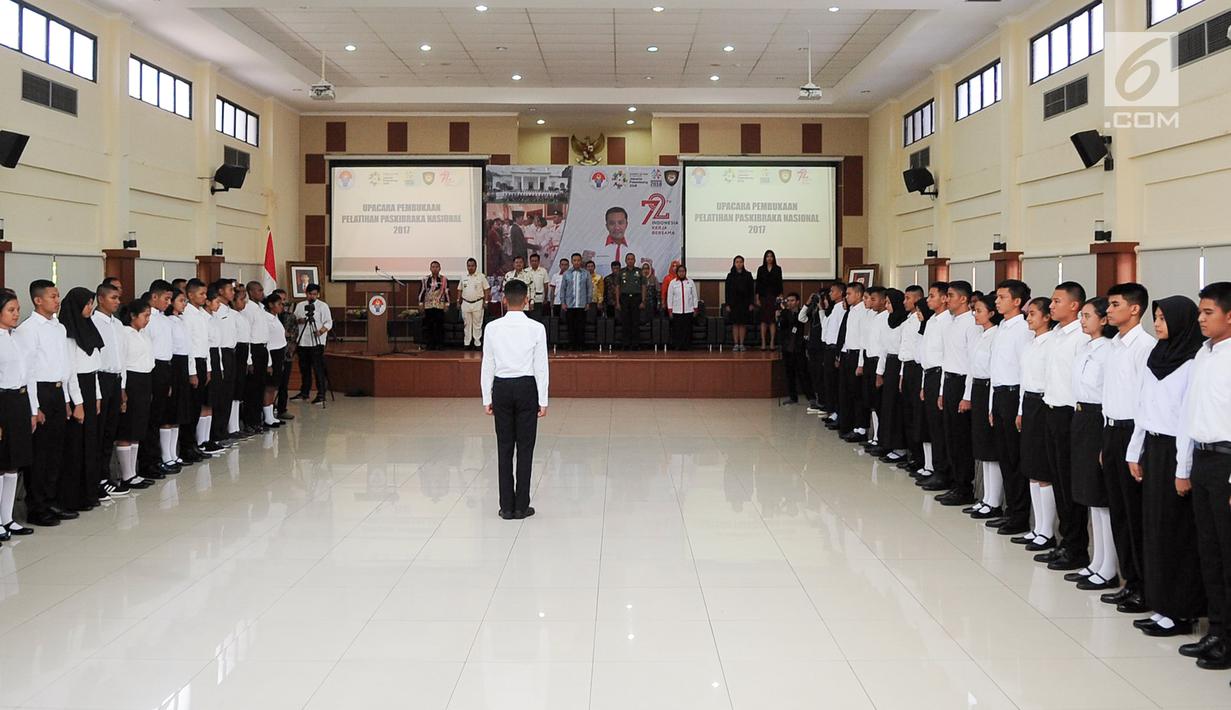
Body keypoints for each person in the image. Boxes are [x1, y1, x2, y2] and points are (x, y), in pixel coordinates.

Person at [1127, 296, 1205, 638]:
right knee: (1154, 529)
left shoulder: (1192, 361)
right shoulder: (1156, 356)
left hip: (1178, 452)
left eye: (1162, 318)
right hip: (1153, 448)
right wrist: (1134, 450)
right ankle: (1161, 605)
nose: (1157, 323)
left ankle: (1181, 610)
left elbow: (1189, 418)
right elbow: (1143, 407)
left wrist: (1182, 468)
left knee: (1176, 533)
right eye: (1155, 317)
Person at [1176, 282, 1231, 671]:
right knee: (1209, 553)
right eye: (1199, 312)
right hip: (1203, 460)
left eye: (1208, 312)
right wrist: (1184, 467)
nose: (1200, 318)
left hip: (1227, 464)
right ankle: (1217, 631)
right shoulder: (1202, 354)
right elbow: (1188, 414)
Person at [1099, 282, 1154, 612]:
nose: (1109, 310)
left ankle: (1144, 587)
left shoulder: (1143, 346)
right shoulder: (1115, 345)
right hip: (1112, 431)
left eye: (1115, 304)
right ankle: (1128, 580)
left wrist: (1135, 447)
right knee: (1118, 510)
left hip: (1134, 433)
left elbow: (1143, 401)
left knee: (1135, 515)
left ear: (1134, 309)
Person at [481, 279, 548, 520]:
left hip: (501, 386)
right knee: (526, 449)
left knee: (504, 448)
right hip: (527, 387)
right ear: (528, 301)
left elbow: (487, 363)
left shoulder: (492, 327)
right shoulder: (537, 328)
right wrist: (543, 400)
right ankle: (522, 505)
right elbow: (541, 367)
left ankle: (506, 507)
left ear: (504, 300)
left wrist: (486, 397)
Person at [1036, 282, 1090, 572]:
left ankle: (1076, 547)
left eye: (1057, 301)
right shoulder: (1056, 334)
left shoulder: (1080, 337)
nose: (1052, 306)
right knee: (1056, 478)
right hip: (1051, 410)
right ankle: (1064, 541)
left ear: (1074, 305)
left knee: (1070, 483)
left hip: (1070, 413)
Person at [14, 280, 76, 527]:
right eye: (52, 296)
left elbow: (64, 365)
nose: (57, 301)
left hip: (58, 391)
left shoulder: (58, 327)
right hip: (39, 391)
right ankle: (36, 507)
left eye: (58, 296)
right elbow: (27, 370)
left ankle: (51, 500)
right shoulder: (29, 329)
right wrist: (34, 406)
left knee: (56, 451)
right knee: (40, 453)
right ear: (38, 300)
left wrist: (68, 400)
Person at [1068, 297, 1118, 590]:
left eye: (1087, 316)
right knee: (1089, 494)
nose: (1082, 320)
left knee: (1101, 496)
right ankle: (1096, 561)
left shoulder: (1109, 351)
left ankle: (1108, 567)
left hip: (1100, 418)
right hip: (1081, 416)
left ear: (1103, 320)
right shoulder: (1085, 347)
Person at [986, 279, 1034, 536]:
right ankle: (1009, 510)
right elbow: (997, 369)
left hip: (1016, 394)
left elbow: (1024, 370)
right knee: (1004, 456)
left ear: (1017, 301)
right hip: (1001, 394)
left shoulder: (1023, 329)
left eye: (1002, 297)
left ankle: (1019, 516)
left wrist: (1020, 409)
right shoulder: (1003, 325)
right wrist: (993, 404)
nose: (996, 301)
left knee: (1016, 459)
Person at [1013, 297, 1058, 550]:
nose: (1028, 318)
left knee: (1042, 470)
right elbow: (1024, 380)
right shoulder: (1030, 344)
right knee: (1031, 467)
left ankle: (1047, 531)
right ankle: (1037, 527)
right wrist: (1020, 410)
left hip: (1043, 403)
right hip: (1029, 403)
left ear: (1046, 317)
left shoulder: (1052, 343)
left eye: (1032, 314)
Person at [933, 281, 980, 507]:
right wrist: (942, 390)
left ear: (963, 299)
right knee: (950, 435)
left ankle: (964, 487)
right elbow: (946, 360)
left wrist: (968, 395)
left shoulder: (971, 323)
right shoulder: (951, 323)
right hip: (950, 381)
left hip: (963, 383)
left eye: (950, 295)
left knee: (961, 439)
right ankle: (954, 481)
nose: (947, 299)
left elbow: (973, 363)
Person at [60, 287, 104, 511]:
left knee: (91, 444)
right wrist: (77, 403)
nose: (91, 307)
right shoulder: (68, 332)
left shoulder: (88, 327)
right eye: (87, 304)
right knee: (76, 447)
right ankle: (72, 497)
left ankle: (89, 492)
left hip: (90, 388)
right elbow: (71, 372)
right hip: (76, 391)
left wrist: (96, 397)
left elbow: (93, 369)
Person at [0, 291, 36, 538]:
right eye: (11, 310)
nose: (16, 314)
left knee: (13, 463)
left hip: (19, 401)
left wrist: (33, 410)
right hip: (2, 401)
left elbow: (29, 375)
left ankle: (7, 518)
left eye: (17, 309)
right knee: (1, 463)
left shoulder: (17, 337)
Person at [114, 297, 156, 493]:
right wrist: (122, 390)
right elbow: (122, 363)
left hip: (145, 380)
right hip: (131, 381)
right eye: (145, 316)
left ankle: (134, 473)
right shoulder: (125, 334)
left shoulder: (144, 334)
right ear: (132, 316)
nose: (147, 320)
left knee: (138, 427)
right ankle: (126, 475)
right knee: (127, 427)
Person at [91, 281, 127, 496]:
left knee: (110, 431)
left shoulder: (118, 324)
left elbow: (120, 356)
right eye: (113, 298)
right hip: (100, 379)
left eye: (118, 298)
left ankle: (105, 475)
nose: (117, 302)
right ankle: (97, 478)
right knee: (99, 430)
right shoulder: (93, 322)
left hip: (115, 379)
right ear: (100, 299)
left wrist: (122, 386)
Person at [917, 282, 952, 489]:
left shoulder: (948, 322)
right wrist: (923, 384)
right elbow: (926, 355)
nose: (928, 300)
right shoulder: (931, 321)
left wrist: (939, 388)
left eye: (931, 296)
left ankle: (943, 472)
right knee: (932, 425)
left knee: (940, 428)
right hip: (929, 375)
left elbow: (946, 356)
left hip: (940, 375)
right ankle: (935, 468)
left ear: (944, 298)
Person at [897, 286, 927, 471]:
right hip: (906, 367)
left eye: (908, 298)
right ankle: (912, 454)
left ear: (918, 299)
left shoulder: (921, 321)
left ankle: (921, 458)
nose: (904, 301)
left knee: (917, 415)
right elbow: (904, 348)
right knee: (907, 413)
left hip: (918, 369)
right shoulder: (909, 319)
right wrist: (901, 374)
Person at [837, 282, 868, 441]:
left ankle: (861, 427)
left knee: (857, 394)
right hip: (847, 354)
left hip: (857, 356)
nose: (846, 297)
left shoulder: (864, 312)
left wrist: (861, 363)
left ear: (858, 294)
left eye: (849, 294)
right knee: (846, 391)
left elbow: (863, 340)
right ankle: (848, 424)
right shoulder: (851, 311)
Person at [293, 283, 332, 404]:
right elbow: (294, 320)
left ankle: (321, 394)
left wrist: (321, 331)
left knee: (318, 368)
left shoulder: (322, 306)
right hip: (303, 342)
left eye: (315, 294)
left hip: (316, 342)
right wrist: (300, 321)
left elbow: (328, 322)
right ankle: (304, 392)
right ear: (306, 294)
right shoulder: (300, 305)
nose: (312, 296)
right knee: (304, 368)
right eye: (310, 294)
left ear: (318, 294)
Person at [242, 281, 270, 433]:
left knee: (260, 386)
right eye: (259, 291)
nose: (262, 293)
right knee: (251, 389)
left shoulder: (261, 307)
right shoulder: (248, 308)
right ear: (251, 292)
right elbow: (248, 333)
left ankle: (258, 419)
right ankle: (250, 421)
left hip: (263, 349)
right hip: (253, 349)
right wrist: (249, 359)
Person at [821, 282, 848, 425]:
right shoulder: (833, 308)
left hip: (835, 349)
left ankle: (838, 413)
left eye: (833, 291)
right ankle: (832, 412)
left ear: (840, 292)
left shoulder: (842, 308)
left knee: (835, 383)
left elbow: (841, 332)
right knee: (829, 383)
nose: (830, 294)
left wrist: (838, 354)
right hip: (828, 347)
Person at [261, 293, 289, 428]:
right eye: (279, 304)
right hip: (271, 355)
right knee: (269, 387)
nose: (281, 306)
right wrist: (269, 363)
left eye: (282, 304)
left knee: (274, 386)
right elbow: (266, 341)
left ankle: (271, 414)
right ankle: (267, 417)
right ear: (271, 305)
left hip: (279, 354)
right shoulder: (266, 318)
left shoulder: (275, 317)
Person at [559, 252, 593, 351]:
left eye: (578, 260)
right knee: (571, 326)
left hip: (582, 304)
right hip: (570, 304)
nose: (577, 262)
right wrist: (563, 302)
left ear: (581, 261)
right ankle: (572, 345)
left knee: (581, 326)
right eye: (575, 260)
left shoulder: (586, 273)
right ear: (572, 261)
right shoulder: (567, 273)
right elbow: (563, 289)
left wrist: (588, 302)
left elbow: (589, 288)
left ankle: (581, 345)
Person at [725, 255, 755, 351]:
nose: (739, 264)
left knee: (742, 324)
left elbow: (751, 291)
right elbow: (727, 291)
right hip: (733, 303)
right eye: (737, 262)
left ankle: (741, 344)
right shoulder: (730, 276)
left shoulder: (748, 275)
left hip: (744, 303)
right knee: (735, 324)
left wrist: (751, 303)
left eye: (741, 262)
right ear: (734, 263)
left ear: (743, 263)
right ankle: (736, 344)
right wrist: (727, 304)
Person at [666, 264, 699, 351]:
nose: (681, 273)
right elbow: (669, 297)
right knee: (677, 329)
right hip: (677, 311)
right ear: (677, 272)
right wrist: (670, 310)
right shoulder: (673, 283)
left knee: (687, 329)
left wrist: (695, 308)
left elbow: (695, 296)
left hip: (688, 310)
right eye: (680, 271)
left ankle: (687, 345)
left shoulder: (690, 282)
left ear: (685, 272)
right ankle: (677, 345)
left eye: (683, 271)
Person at [755, 249, 783, 350]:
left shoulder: (778, 269)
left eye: (771, 256)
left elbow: (780, 283)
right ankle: (763, 342)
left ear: (773, 258)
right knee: (763, 321)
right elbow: (758, 284)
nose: (769, 258)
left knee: (772, 321)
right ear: (765, 258)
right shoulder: (761, 269)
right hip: (763, 297)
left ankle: (772, 343)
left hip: (774, 297)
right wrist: (757, 298)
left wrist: (780, 296)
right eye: (767, 256)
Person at [459, 258, 489, 351]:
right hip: (465, 303)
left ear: (476, 266)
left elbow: (486, 289)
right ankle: (467, 343)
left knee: (477, 324)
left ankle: (477, 343)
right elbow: (459, 289)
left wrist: (486, 301)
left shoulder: (481, 276)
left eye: (472, 266)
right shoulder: (463, 276)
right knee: (467, 324)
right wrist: (458, 300)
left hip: (478, 302)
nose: (470, 267)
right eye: (469, 266)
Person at [618, 252, 646, 350]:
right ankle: (625, 344)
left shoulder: (639, 272)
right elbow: (617, 287)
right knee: (625, 322)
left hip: (636, 298)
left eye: (632, 259)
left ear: (635, 260)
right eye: (628, 259)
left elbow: (643, 286)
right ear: (625, 261)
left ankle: (635, 344)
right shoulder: (621, 272)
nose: (630, 260)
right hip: (624, 298)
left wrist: (643, 301)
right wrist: (617, 302)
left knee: (635, 322)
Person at [419, 262, 449, 350]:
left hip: (439, 305)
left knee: (439, 326)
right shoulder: (425, 279)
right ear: (430, 268)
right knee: (429, 326)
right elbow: (422, 291)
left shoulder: (443, 279)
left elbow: (447, 291)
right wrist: (421, 303)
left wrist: (447, 304)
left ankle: (440, 344)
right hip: (429, 305)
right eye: (433, 267)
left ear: (439, 268)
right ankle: (430, 344)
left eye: (436, 267)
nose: (435, 268)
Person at [526, 253, 551, 321]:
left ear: (539, 261)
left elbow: (546, 285)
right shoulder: (526, 271)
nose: (534, 262)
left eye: (535, 261)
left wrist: (545, 298)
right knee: (528, 319)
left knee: (537, 318)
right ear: (530, 262)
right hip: (528, 299)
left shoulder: (543, 271)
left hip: (539, 299)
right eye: (532, 261)